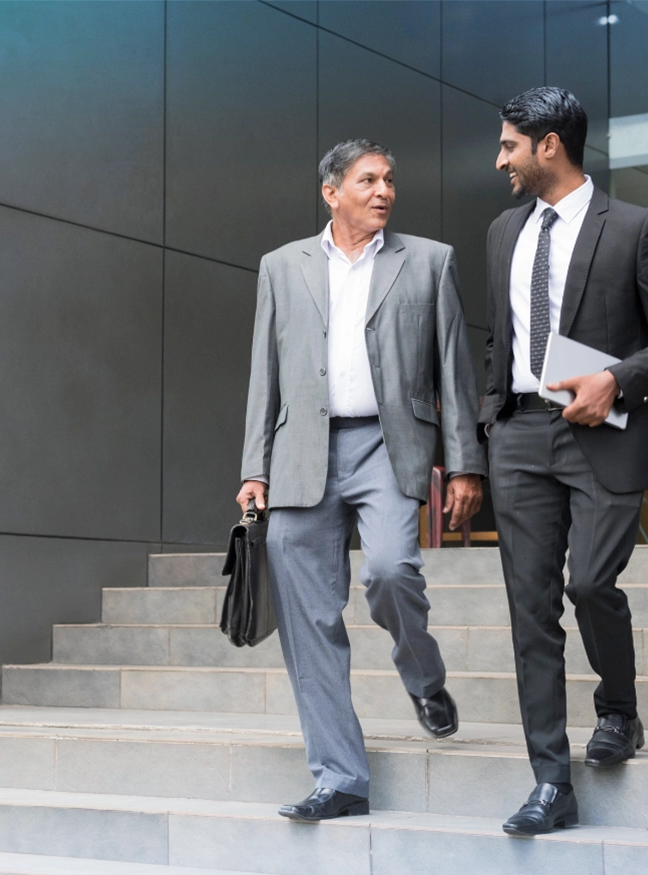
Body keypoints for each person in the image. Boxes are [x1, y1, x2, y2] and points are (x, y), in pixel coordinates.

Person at [480, 87, 648, 836]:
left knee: (588, 584)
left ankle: (619, 707)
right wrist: (488, 425)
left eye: (510, 144)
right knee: (529, 609)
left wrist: (618, 377)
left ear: (550, 145)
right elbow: (503, 340)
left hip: (607, 431)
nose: (500, 158)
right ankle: (551, 780)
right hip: (519, 434)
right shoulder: (500, 232)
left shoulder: (638, 228)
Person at [238, 139, 486, 822]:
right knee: (309, 620)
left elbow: (454, 372)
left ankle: (423, 675)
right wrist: (253, 467)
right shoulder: (281, 266)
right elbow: (266, 371)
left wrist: (465, 462)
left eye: (389, 180)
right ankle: (341, 776)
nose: (384, 191)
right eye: (368, 180)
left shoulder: (429, 262)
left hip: (388, 442)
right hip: (298, 455)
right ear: (331, 192)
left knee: (389, 569)